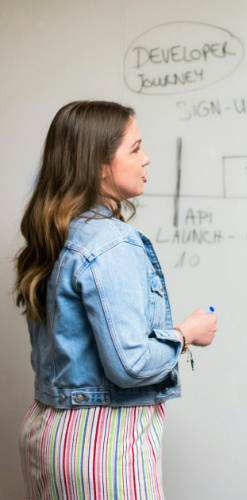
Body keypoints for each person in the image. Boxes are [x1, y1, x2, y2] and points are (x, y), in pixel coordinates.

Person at [14, 100, 218, 498]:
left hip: (47, 433)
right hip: (102, 442)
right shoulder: (112, 242)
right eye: (135, 148)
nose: (147, 158)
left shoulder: (57, 233)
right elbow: (131, 364)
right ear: (99, 164)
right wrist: (186, 333)